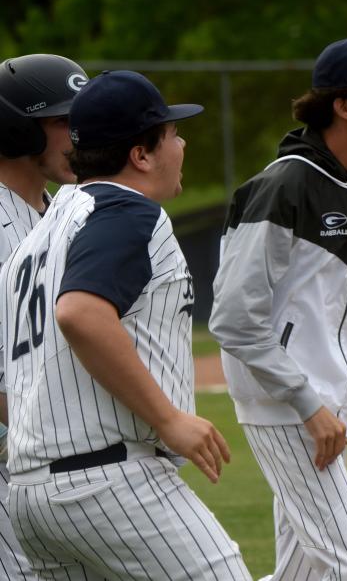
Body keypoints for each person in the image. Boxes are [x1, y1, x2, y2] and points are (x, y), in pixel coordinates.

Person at [1, 70, 251, 580]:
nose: (181, 144)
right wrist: (168, 420)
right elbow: (81, 313)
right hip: (110, 478)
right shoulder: (123, 208)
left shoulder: (36, 238)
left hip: (31, 495)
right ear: (141, 155)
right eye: (171, 134)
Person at [208, 36, 347, 581]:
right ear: (343, 104)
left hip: (330, 407)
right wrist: (307, 402)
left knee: (304, 574)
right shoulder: (280, 188)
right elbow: (234, 318)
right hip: (283, 404)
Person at [0, 53, 88, 581]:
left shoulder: (61, 211)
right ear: (15, 128)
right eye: (61, 121)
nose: (78, 135)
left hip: (40, 462)